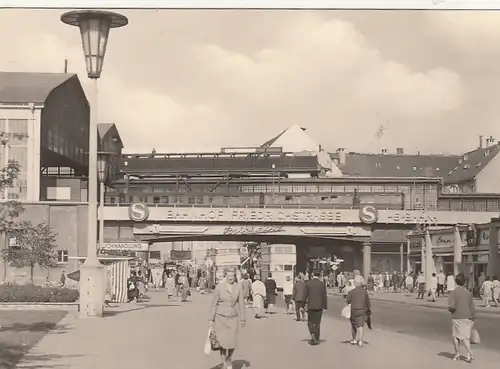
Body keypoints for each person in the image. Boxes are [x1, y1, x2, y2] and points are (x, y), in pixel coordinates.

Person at [209, 268, 246, 369]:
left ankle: (228, 358)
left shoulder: (238, 287)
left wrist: (243, 318)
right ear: (225, 276)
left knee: (232, 342)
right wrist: (211, 319)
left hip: (233, 317)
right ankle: (224, 364)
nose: (231, 278)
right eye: (229, 276)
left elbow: (241, 304)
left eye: (233, 276)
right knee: (221, 343)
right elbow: (214, 304)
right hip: (220, 317)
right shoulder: (219, 287)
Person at [448, 273, 475, 363]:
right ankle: (469, 354)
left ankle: (457, 354)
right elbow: (472, 307)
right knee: (466, 337)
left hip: (456, 316)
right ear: (465, 282)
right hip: (467, 316)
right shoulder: (468, 293)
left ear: (456, 282)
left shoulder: (453, 293)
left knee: (455, 336)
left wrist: (451, 310)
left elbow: (451, 307)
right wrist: (473, 317)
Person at [347, 276, 371, 348]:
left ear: (355, 283)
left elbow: (348, 301)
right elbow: (367, 302)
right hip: (362, 310)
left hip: (354, 310)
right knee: (360, 326)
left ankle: (354, 339)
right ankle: (360, 340)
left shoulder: (351, 292)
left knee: (353, 325)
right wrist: (368, 308)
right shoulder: (364, 292)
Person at [304, 270, 328, 345]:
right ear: (319, 275)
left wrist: (303, 304)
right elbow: (324, 295)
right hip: (319, 306)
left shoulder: (308, 283)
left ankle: (312, 333)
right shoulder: (321, 284)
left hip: (310, 305)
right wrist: (325, 306)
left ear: (312, 274)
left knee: (310, 321)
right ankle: (317, 337)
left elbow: (305, 295)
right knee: (317, 322)